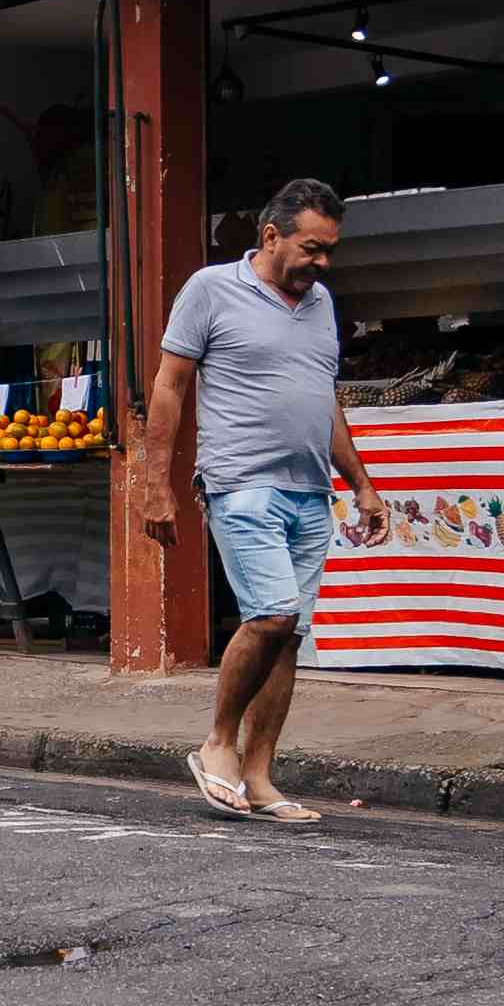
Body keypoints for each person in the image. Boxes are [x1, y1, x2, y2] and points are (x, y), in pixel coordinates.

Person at [147, 176, 378, 825]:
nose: (322, 262)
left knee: (289, 636)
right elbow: (169, 387)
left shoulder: (322, 304)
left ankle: (259, 776)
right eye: (312, 248)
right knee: (272, 616)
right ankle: (217, 745)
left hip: (309, 491)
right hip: (240, 483)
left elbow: (323, 399)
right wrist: (156, 485)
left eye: (329, 250)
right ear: (272, 236)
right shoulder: (210, 289)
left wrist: (361, 483)